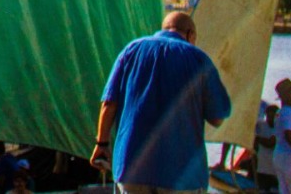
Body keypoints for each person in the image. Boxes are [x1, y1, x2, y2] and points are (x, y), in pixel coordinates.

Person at [91, 11, 231, 194]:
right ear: (190, 34)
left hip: (131, 169)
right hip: (182, 175)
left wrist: (101, 144)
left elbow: (109, 104)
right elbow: (217, 118)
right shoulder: (199, 59)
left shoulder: (131, 50)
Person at [254, 102, 280, 192]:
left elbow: (270, 143)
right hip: (262, 168)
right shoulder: (261, 125)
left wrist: (257, 138)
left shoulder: (280, 128)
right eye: (270, 114)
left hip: (275, 170)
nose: (272, 117)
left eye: (274, 115)